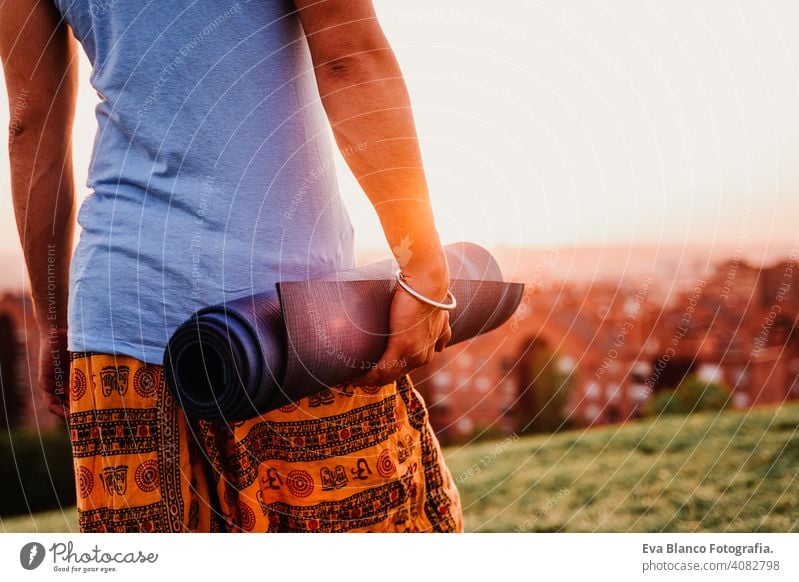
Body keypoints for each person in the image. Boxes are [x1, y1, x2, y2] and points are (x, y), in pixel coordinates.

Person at [1, 0, 463, 532]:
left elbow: (28, 126)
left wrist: (54, 317)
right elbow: (348, 58)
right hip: (292, 326)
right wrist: (424, 265)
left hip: (119, 327)